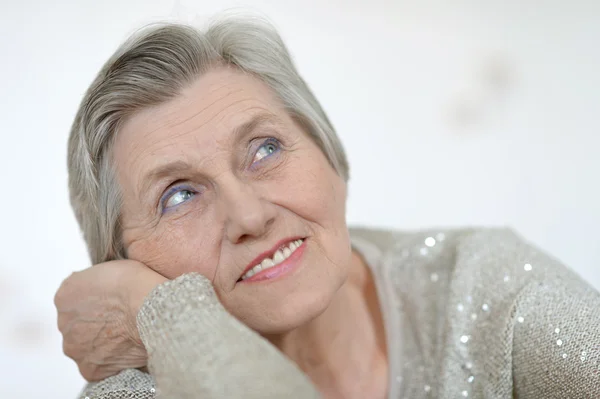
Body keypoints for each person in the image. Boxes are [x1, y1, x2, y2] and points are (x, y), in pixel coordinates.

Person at [54, 13, 600, 399]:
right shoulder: (134, 390)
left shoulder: (487, 288)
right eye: (180, 195)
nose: (249, 216)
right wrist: (161, 313)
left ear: (329, 153)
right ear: (121, 260)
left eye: (264, 149)